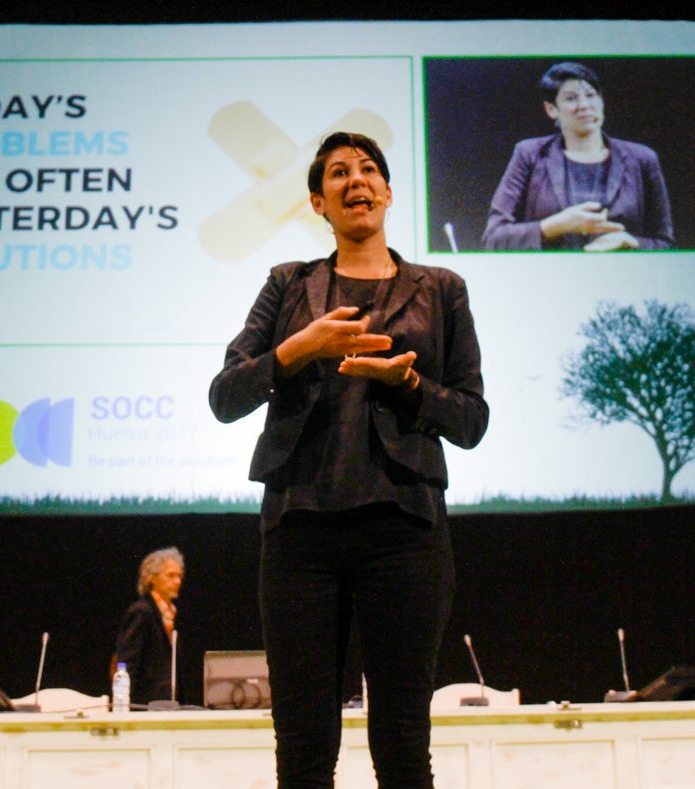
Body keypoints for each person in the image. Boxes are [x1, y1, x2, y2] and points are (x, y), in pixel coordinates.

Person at [209, 131, 488, 788]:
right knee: (304, 743)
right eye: (338, 173)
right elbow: (224, 396)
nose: (355, 179)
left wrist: (410, 384)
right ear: (319, 201)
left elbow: (472, 420)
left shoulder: (442, 288)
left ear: (387, 193)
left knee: (401, 738)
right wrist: (297, 347)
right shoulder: (288, 285)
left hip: (406, 530)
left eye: (368, 169)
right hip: (301, 529)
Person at [482, 61, 675, 252]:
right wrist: (556, 225)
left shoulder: (642, 159)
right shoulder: (530, 154)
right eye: (571, 98)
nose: (584, 105)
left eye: (591, 95)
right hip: (548, 277)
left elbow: (665, 242)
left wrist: (631, 243)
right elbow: (494, 238)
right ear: (551, 109)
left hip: (626, 276)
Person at [111, 547, 184, 706]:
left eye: (179, 576)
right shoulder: (142, 612)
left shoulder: (170, 613)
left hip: (167, 704)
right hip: (144, 705)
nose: (178, 581)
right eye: (171, 575)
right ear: (152, 578)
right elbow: (127, 662)